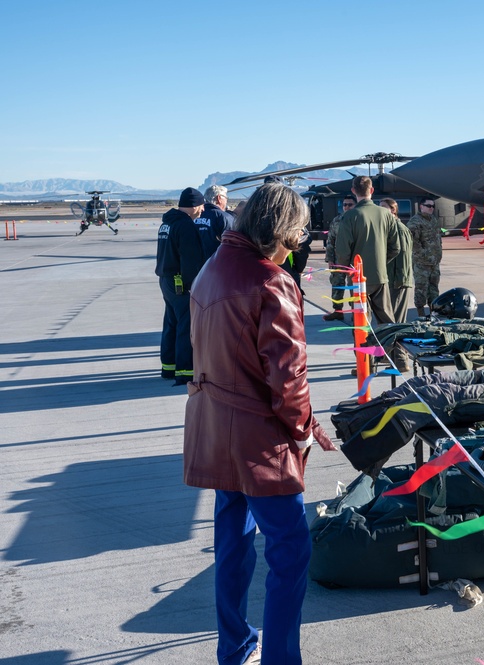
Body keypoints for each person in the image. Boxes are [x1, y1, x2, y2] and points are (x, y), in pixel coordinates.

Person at [183, 182, 336, 665]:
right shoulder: (273, 281)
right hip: (257, 440)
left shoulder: (212, 268)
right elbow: (288, 379)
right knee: (290, 552)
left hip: (215, 428)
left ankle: (234, 648)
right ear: (285, 230)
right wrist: (306, 429)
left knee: (233, 545)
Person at [154, 187, 206, 385]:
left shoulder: (167, 224)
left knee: (171, 322)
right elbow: (190, 259)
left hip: (166, 280)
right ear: (193, 206)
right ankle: (185, 371)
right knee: (186, 325)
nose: (202, 210)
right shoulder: (185, 226)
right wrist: (194, 285)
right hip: (180, 282)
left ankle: (169, 366)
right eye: (201, 206)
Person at [334, 176, 400, 325]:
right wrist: (380, 262)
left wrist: (348, 269)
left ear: (353, 191)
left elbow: (343, 251)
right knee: (387, 321)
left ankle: (364, 348)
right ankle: (390, 347)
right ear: (372, 190)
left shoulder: (349, 216)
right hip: (380, 276)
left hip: (357, 278)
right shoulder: (386, 215)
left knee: (361, 322)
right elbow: (395, 247)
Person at [381, 197, 414, 372]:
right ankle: (390, 357)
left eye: (384, 208)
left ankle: (401, 361)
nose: (381, 211)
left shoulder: (399, 230)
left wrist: (398, 282)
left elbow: (401, 258)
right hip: (393, 280)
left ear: (393, 211)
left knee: (397, 323)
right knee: (390, 322)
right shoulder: (391, 229)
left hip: (398, 281)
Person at [407, 196, 442, 317]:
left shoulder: (433, 220)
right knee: (421, 288)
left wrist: (437, 256)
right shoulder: (415, 222)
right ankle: (420, 313)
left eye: (433, 206)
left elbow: (438, 239)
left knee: (434, 289)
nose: (431, 208)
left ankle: (434, 313)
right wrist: (424, 256)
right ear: (421, 206)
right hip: (421, 263)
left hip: (434, 262)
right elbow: (413, 243)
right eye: (428, 206)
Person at [323, 194, 355, 321]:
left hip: (354, 259)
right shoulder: (337, 220)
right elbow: (330, 240)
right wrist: (330, 259)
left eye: (350, 204)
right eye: (344, 205)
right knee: (337, 284)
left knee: (354, 286)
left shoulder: (358, 219)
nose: (346, 207)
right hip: (338, 259)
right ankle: (338, 310)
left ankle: (355, 312)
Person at [197, 184, 235, 257]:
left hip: (195, 264)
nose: (226, 201)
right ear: (219, 198)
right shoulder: (225, 217)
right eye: (226, 198)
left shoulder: (195, 215)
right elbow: (232, 245)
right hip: (216, 264)